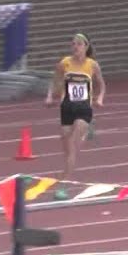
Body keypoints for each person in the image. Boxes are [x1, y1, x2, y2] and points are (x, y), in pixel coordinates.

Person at [44, 33, 105, 197]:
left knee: (72, 147)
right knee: (66, 149)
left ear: (86, 47)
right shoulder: (65, 63)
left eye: (79, 44)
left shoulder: (92, 65)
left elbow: (101, 84)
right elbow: (55, 80)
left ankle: (63, 187)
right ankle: (87, 129)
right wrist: (50, 96)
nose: (75, 47)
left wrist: (99, 98)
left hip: (84, 108)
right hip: (67, 108)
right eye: (73, 44)